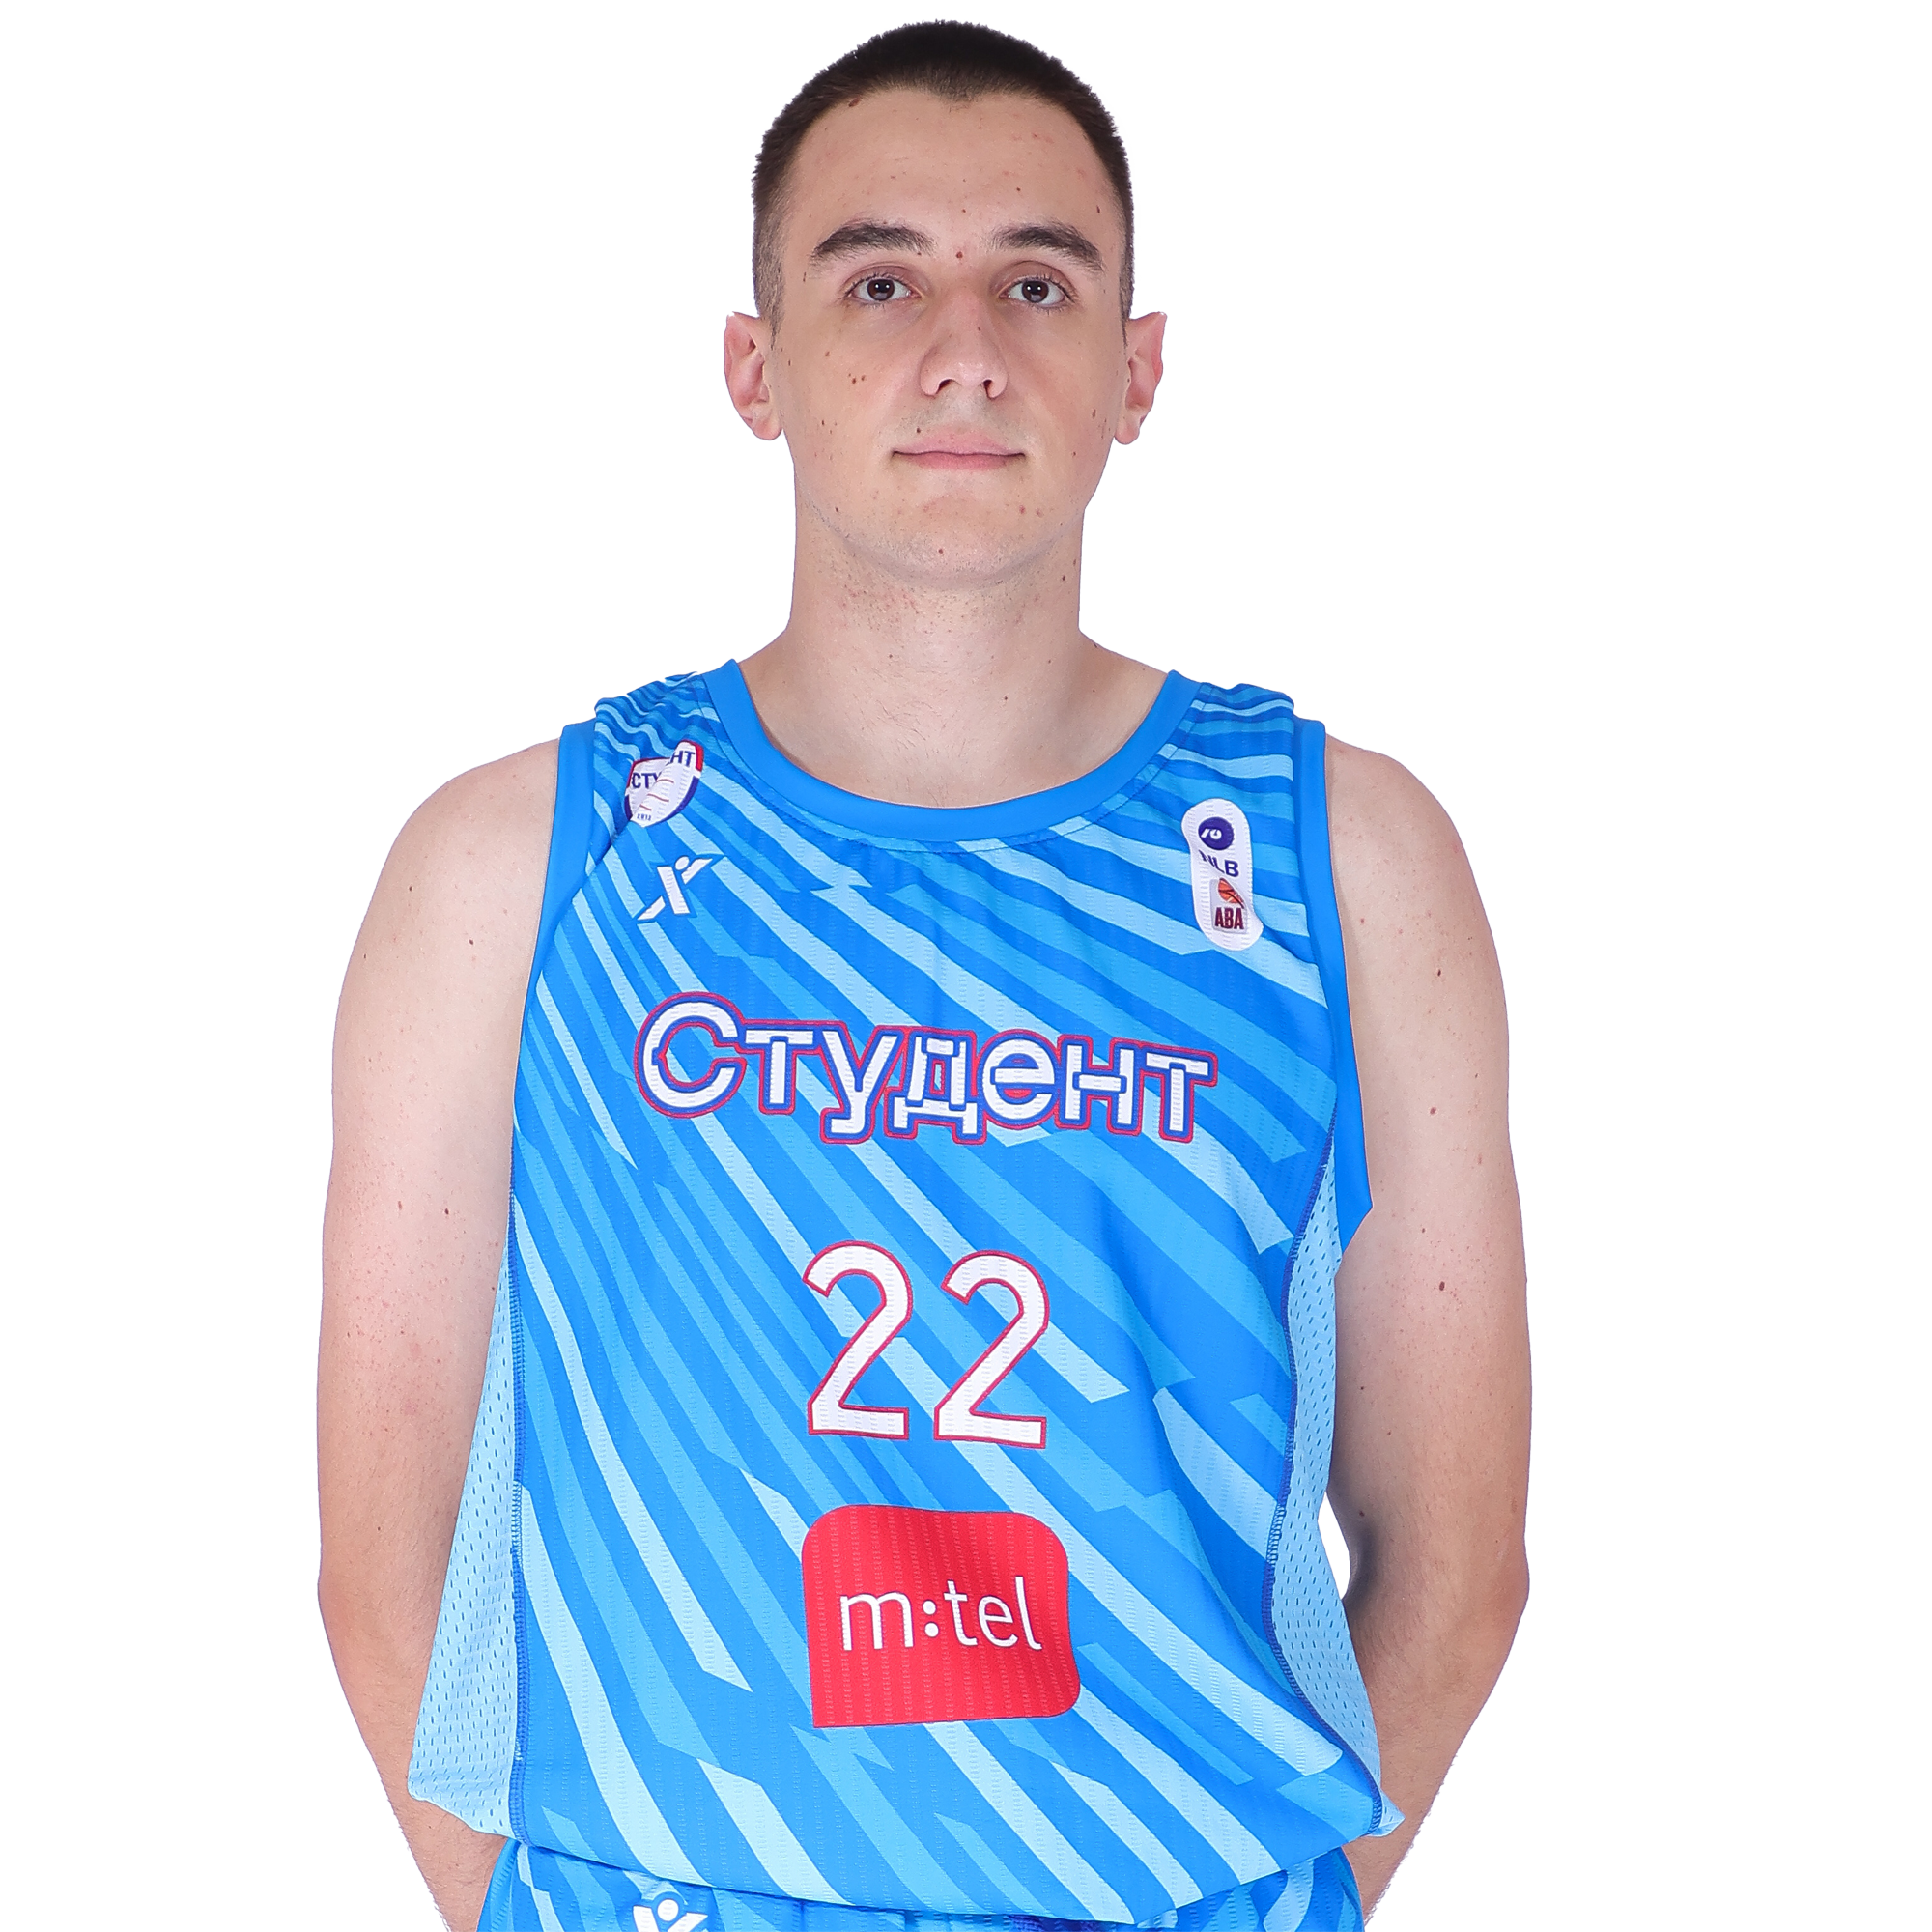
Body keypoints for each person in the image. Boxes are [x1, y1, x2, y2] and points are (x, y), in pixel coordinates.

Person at [319, 22, 1529, 1932]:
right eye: (878, 281)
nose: (964, 350)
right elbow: (382, 1559)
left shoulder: (1344, 859)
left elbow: (1454, 1561)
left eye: (1036, 283)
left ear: (1136, 371)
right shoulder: (514, 862)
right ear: (755, 366)